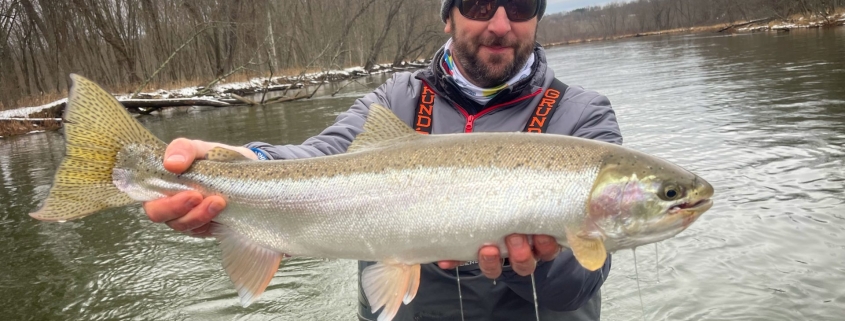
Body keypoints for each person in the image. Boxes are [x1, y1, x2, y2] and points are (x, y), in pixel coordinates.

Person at [143, 0, 621, 320]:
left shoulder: (583, 116)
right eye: (478, 3)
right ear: (448, 16)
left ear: (538, 16)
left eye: (519, 5)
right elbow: (321, 157)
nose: (499, 24)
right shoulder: (397, 98)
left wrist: (535, 263)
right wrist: (246, 159)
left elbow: (574, 290)